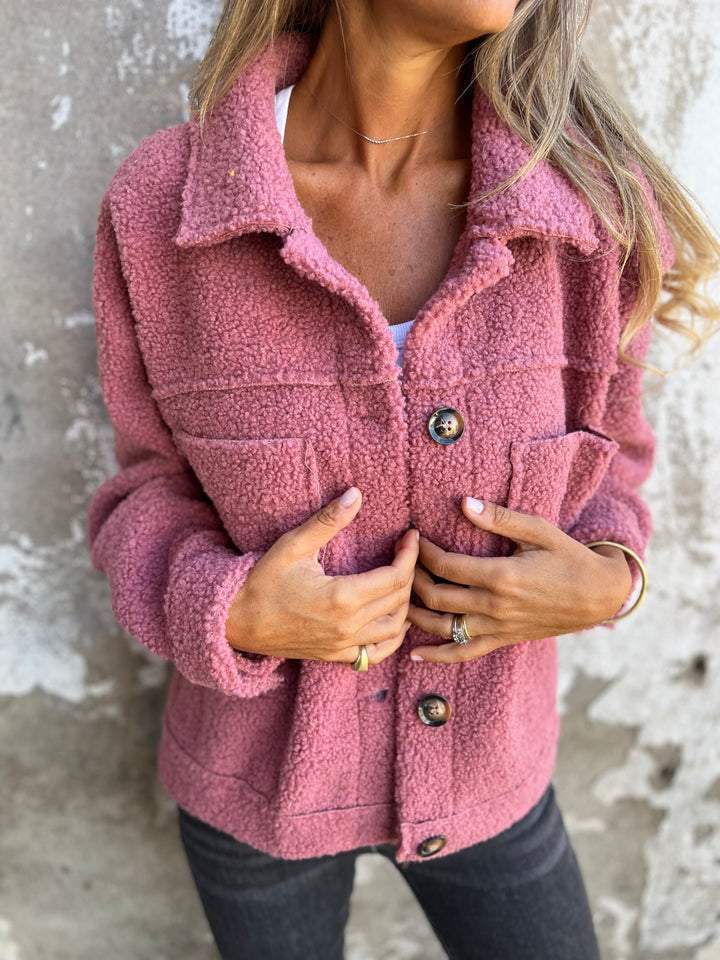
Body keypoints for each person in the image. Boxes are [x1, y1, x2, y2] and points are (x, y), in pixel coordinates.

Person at [86, 2, 719, 957]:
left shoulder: (584, 210)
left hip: (495, 778)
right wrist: (230, 612)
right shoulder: (166, 207)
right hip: (253, 797)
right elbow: (144, 492)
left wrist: (611, 578)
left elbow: (614, 463)